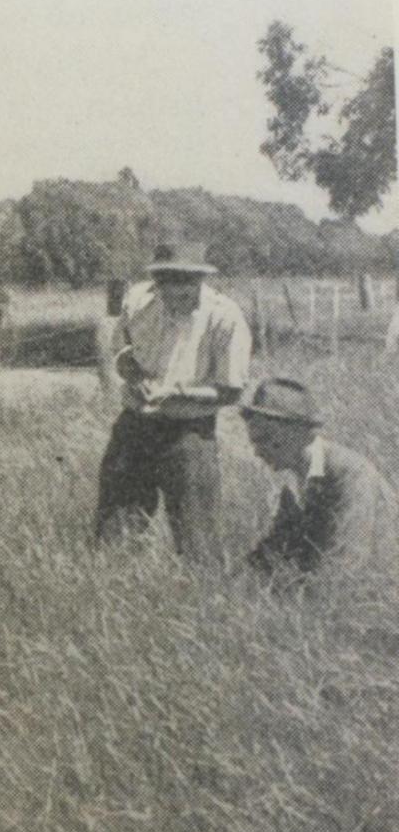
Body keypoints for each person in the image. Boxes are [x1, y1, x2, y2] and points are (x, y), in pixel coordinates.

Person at [94, 241, 252, 561]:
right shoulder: (138, 301)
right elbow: (123, 353)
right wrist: (135, 378)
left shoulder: (225, 316)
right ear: (158, 279)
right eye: (168, 280)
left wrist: (177, 393)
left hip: (189, 433)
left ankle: (204, 598)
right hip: (135, 426)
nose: (178, 289)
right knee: (113, 533)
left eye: (187, 281)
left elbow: (231, 390)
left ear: (201, 279)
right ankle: (113, 590)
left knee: (198, 541)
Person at [243, 377, 399, 580]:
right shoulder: (296, 482)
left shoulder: (350, 474)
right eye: (254, 442)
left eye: (266, 439)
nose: (257, 452)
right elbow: (274, 550)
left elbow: (346, 566)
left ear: (299, 432)